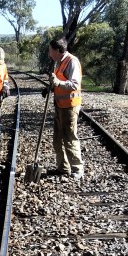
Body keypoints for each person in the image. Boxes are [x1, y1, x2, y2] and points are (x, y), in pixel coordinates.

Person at [47, 37, 84, 180]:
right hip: (59, 106)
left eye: (51, 50)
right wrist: (51, 87)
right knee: (57, 139)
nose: (49, 53)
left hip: (69, 106)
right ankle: (63, 168)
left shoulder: (71, 62)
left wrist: (58, 83)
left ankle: (77, 169)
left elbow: (74, 84)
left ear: (57, 50)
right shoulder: (60, 62)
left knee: (69, 138)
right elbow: (60, 83)